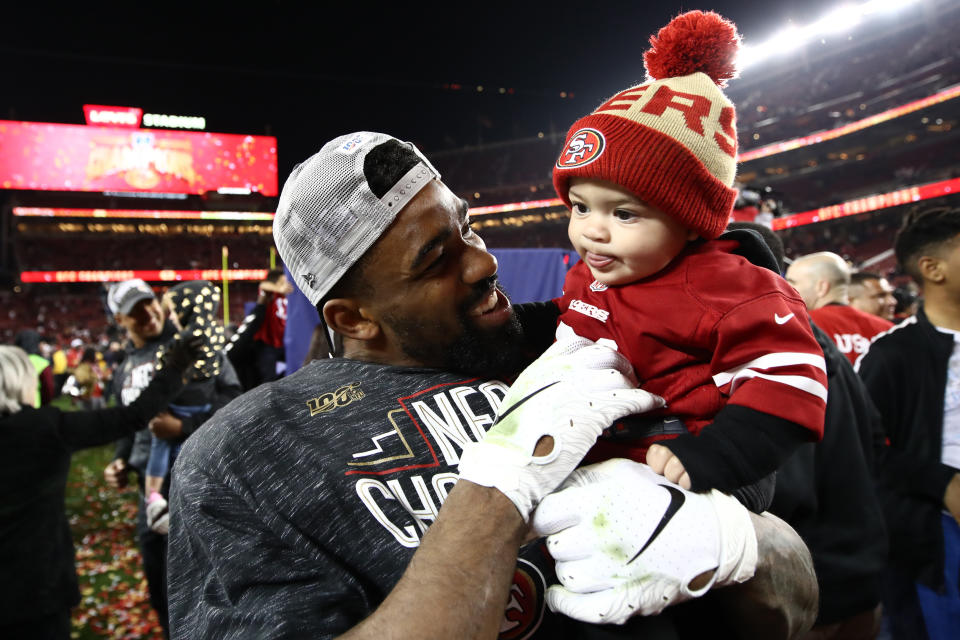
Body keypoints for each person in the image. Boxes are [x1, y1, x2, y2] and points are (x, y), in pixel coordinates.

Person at [168, 131, 819, 639]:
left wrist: (741, 545)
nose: (483, 260)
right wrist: (500, 486)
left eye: (467, 227)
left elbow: (799, 598)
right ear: (353, 317)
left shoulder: (593, 340)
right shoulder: (247, 455)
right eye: (436, 259)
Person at [549, 11, 826, 497]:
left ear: (690, 221)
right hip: (613, 440)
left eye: (625, 214)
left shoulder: (730, 287)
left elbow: (792, 382)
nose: (593, 230)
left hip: (697, 455)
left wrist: (720, 453)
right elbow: (574, 316)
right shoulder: (603, 270)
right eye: (580, 206)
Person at [730, 223, 889, 639]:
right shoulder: (820, 342)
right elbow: (876, 439)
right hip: (861, 567)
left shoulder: (762, 350)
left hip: (805, 587)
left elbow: (785, 490)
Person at [0, 337, 200, 639]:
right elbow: (132, 416)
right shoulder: (43, 427)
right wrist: (175, 366)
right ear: (19, 382)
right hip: (37, 587)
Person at [101, 278, 241, 635]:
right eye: (136, 310)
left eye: (149, 303)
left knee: (215, 584)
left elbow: (235, 399)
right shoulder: (122, 370)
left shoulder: (195, 345)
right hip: (151, 496)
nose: (148, 313)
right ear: (120, 319)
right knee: (160, 585)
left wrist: (183, 426)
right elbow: (128, 426)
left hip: (202, 484)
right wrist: (120, 460)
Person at [857, 208, 960, 639]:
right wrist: (943, 483)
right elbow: (866, 453)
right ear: (932, 268)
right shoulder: (892, 355)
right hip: (940, 534)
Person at [141, 281, 227, 535]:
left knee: (171, 453)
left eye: (173, 309)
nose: (170, 316)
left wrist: (182, 426)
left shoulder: (180, 343)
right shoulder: (214, 337)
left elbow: (231, 395)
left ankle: (154, 499)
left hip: (185, 417)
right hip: (190, 419)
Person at [785, 252, 893, 365]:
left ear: (822, 287)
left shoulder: (800, 326)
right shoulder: (888, 330)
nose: (786, 288)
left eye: (792, 282)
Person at [13, 329, 55, 407]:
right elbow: (48, 390)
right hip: (33, 407)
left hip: (8, 408)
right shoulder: (42, 363)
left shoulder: (10, 360)